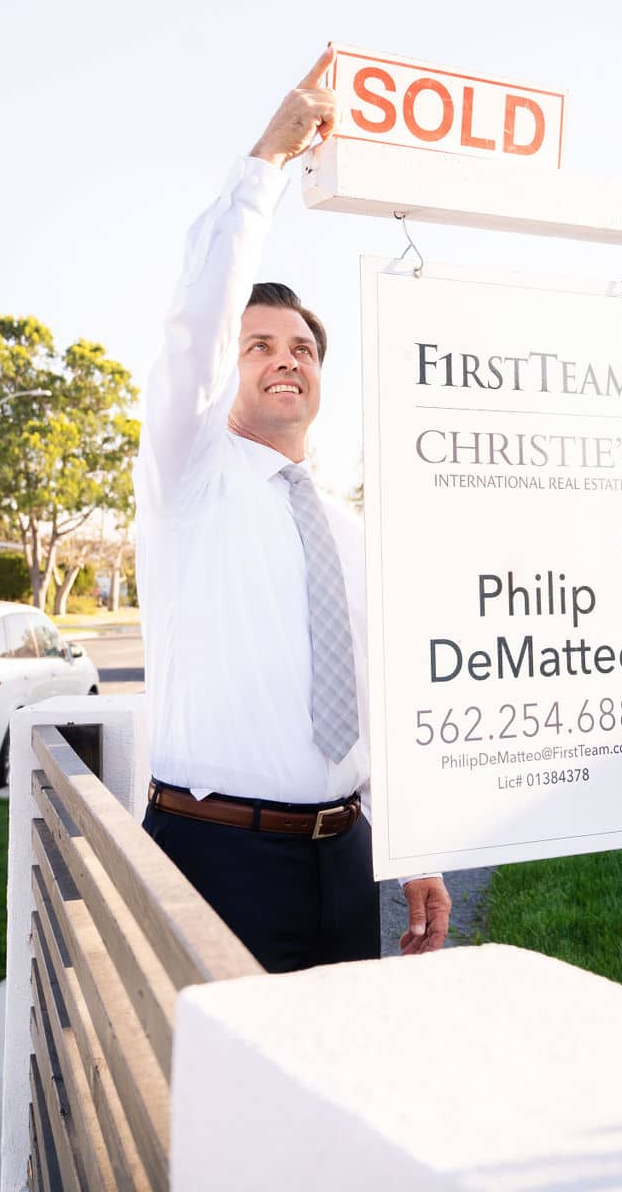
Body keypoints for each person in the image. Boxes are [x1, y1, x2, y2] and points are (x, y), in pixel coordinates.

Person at [135, 48, 451, 971]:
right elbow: (195, 325)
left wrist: (409, 843)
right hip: (212, 857)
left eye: (303, 346)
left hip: (345, 861)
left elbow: (374, 692)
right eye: (259, 344)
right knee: (214, 1106)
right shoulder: (188, 476)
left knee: (334, 1089)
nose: (285, 357)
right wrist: (266, 163)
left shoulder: (346, 527)